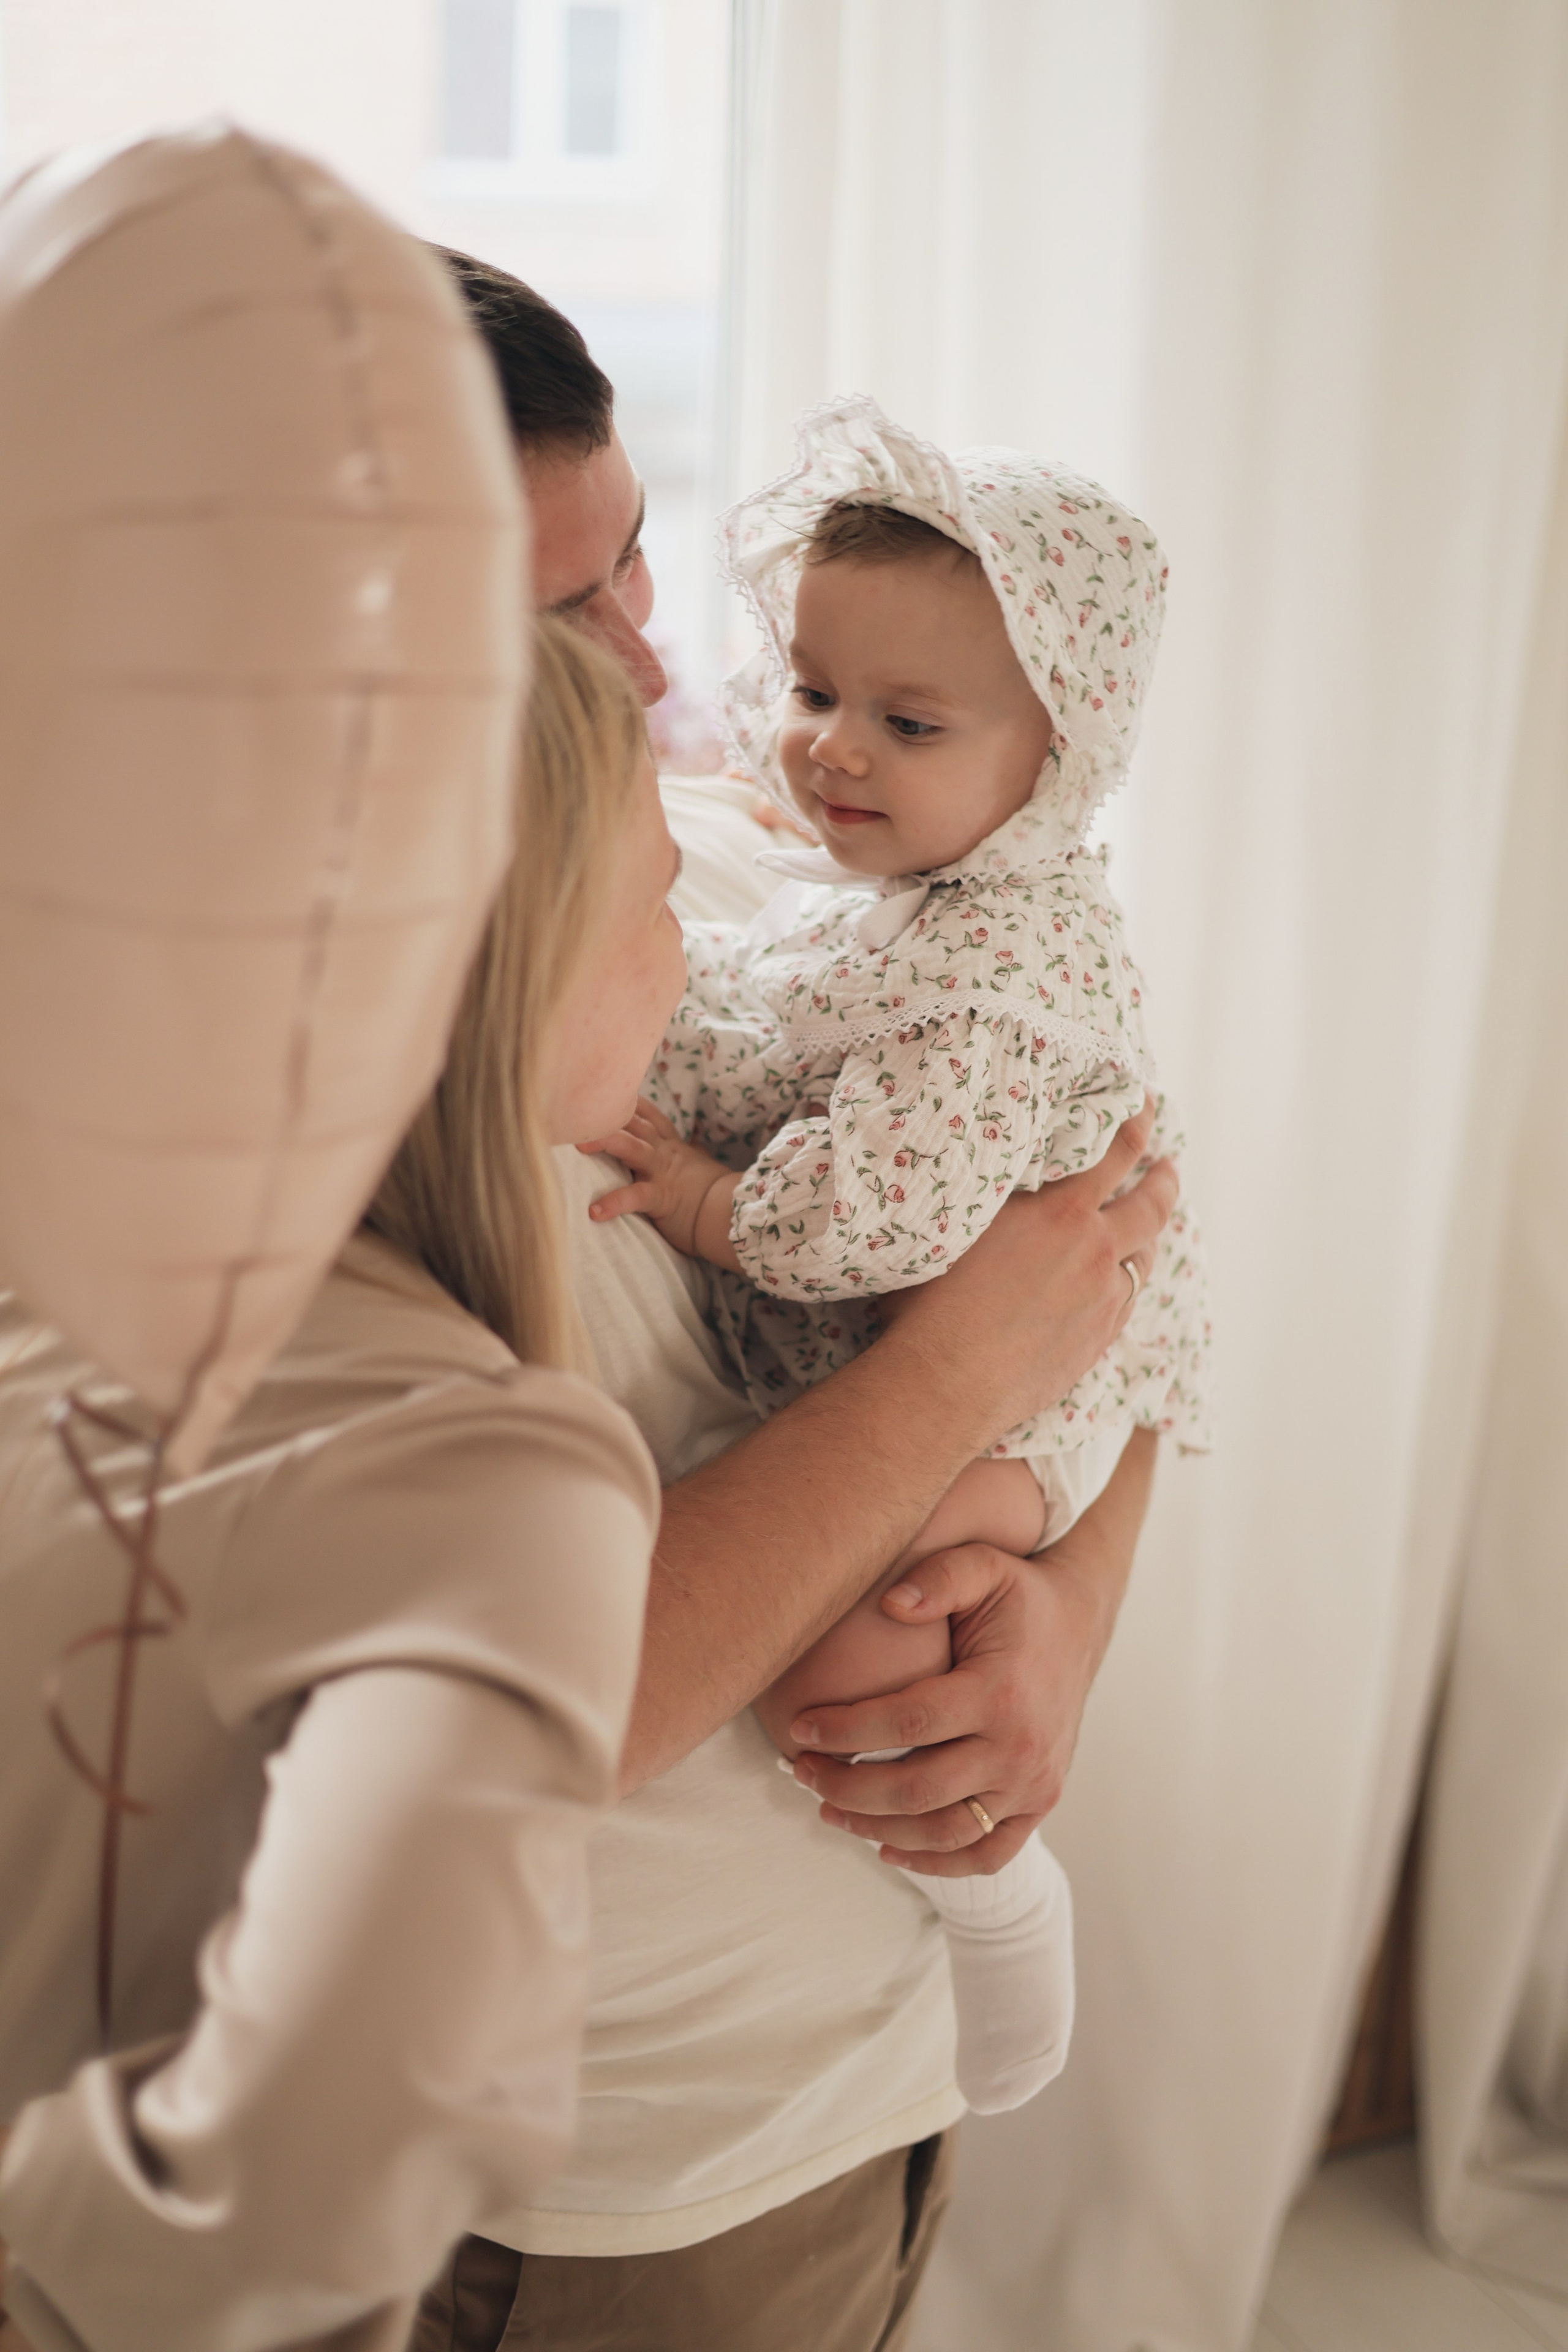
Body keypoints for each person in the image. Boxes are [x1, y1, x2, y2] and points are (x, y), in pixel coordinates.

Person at [410, 262, 1180, 2351]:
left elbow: (1112, 1252)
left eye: (638, 562)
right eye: (559, 619)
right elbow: (547, 1704)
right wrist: (958, 1379)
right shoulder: (272, 1135)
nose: (655, 658)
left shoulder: (787, 864)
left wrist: (1069, 1608)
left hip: (864, 2083)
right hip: (607, 2191)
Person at [0, 624, 678, 2352]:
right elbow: (282, 2206)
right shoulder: (490, 1472)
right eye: (664, 902)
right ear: (523, 966)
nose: (691, 960)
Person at [586, 399, 1213, 2121]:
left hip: (1034, 1405)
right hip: (989, 1361)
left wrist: (705, 1202)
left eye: (908, 722)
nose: (831, 754)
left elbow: (877, 1216)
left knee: (863, 1651)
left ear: (1056, 754)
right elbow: (763, 1015)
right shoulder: (871, 886)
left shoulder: (993, 975)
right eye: (811, 693)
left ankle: (1003, 1903)